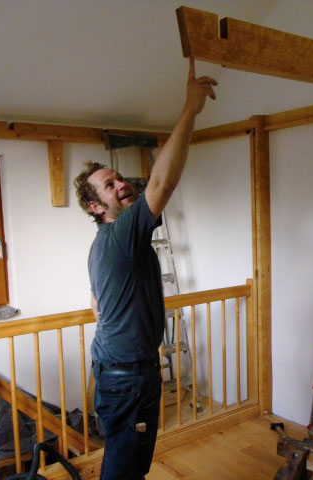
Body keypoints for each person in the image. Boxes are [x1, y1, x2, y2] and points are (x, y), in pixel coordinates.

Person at [74, 58, 217, 480]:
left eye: (120, 178)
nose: (123, 184)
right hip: (128, 377)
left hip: (122, 372)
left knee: (129, 464)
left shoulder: (104, 244)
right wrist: (189, 109)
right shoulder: (121, 234)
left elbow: (99, 302)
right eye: (109, 186)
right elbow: (162, 183)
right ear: (96, 207)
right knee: (125, 467)